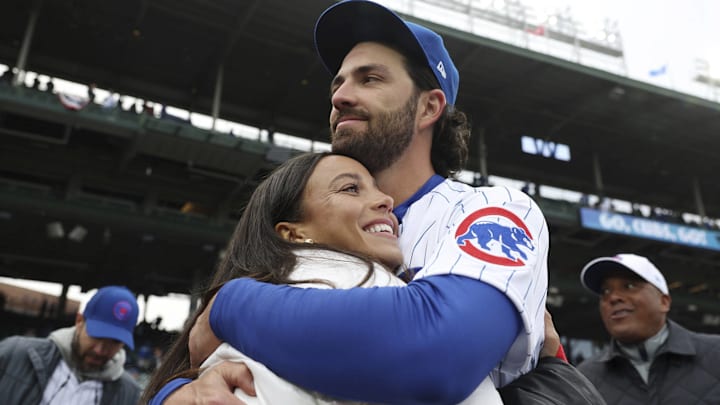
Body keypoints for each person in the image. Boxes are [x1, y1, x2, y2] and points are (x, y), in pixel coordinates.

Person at [154, 1, 604, 403]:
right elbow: (193, 359)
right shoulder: (306, 213)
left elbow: (434, 355)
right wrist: (179, 394)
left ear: (429, 109)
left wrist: (233, 305)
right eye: (339, 82)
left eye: (370, 79)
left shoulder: (492, 209)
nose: (340, 96)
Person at [143, 152, 506, 404]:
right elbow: (432, 347)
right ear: (292, 233)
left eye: (379, 189)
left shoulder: (261, 305)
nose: (385, 201)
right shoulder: (349, 278)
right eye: (351, 188)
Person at [577, 253, 720, 404]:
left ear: (664, 302)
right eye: (605, 291)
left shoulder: (716, 354)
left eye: (629, 286)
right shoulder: (584, 379)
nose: (613, 298)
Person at [0, 285, 141, 405]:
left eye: (115, 342)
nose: (100, 350)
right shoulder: (17, 354)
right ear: (79, 321)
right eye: (96, 336)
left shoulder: (129, 393)